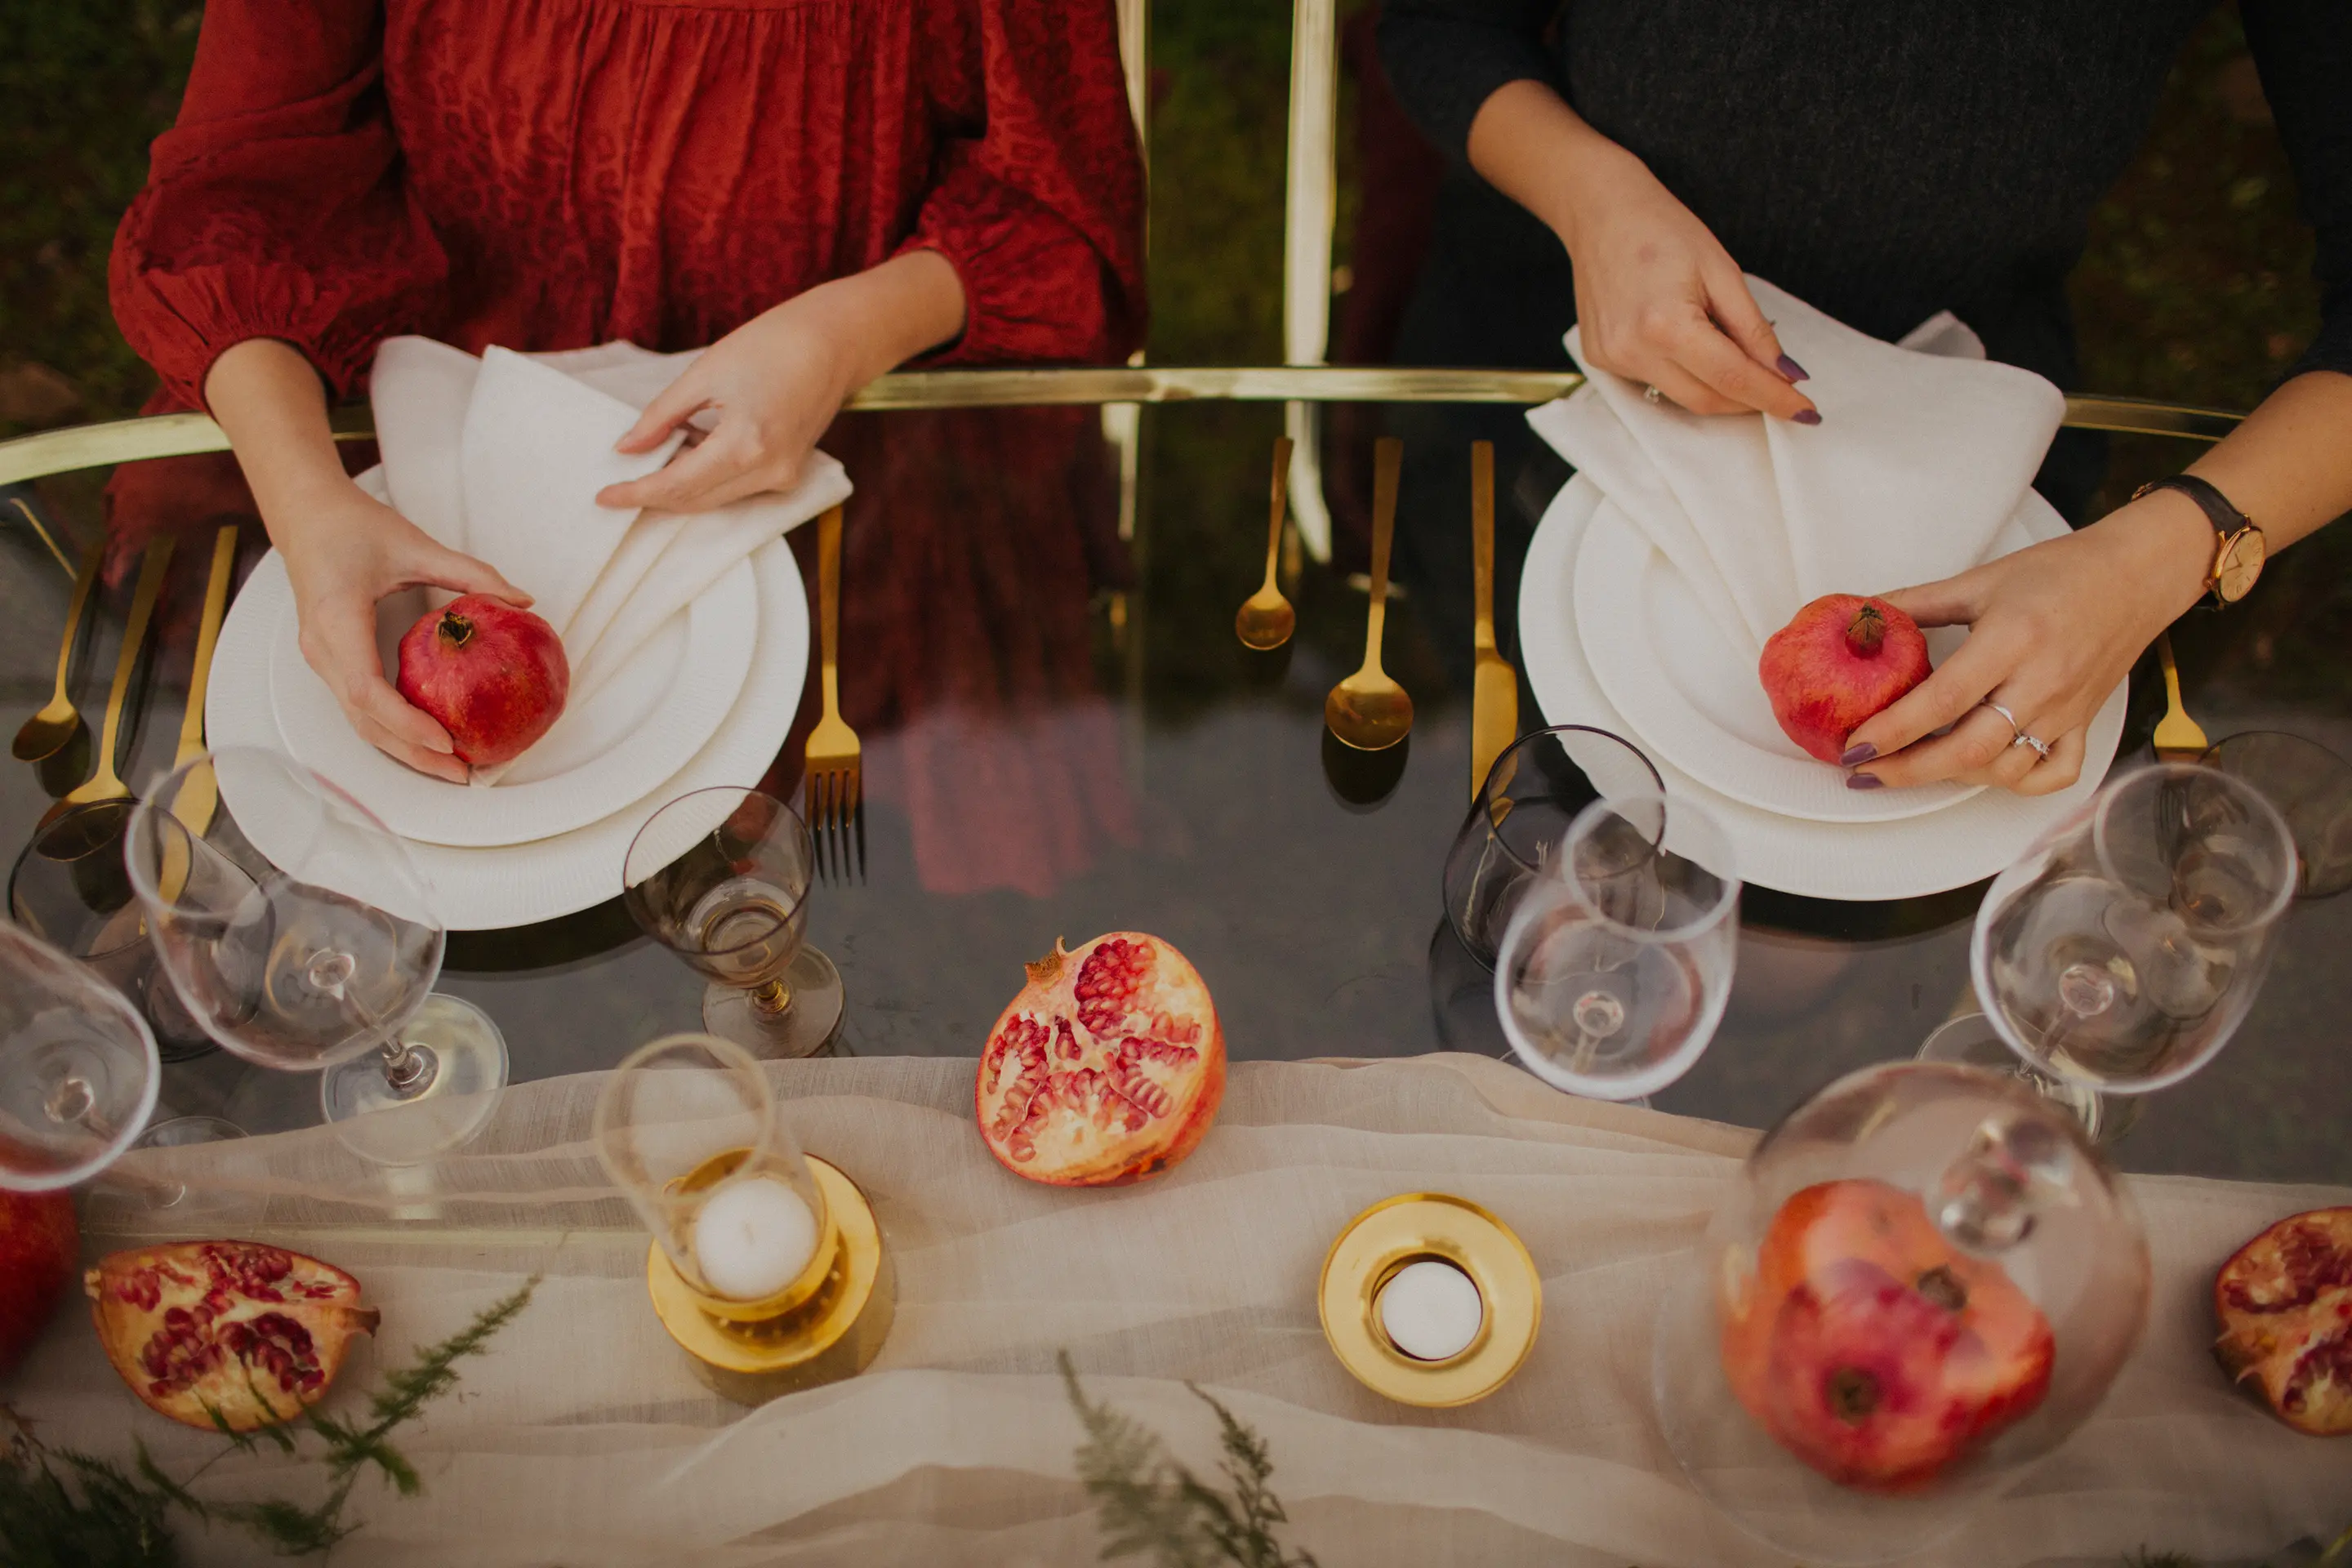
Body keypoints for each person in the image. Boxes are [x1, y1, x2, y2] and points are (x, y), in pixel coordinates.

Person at [111, 0, 1144, 782]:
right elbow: (232, 201)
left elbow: (1057, 214)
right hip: (388, 434)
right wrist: (310, 509)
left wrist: (842, 334)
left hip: (842, 449)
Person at [1379, 1, 2352, 795]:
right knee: (1535, 786)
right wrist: (1590, 195)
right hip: (1543, 353)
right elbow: (1440, 24)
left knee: (1835, 905)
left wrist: (2168, 553)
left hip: (1970, 433)